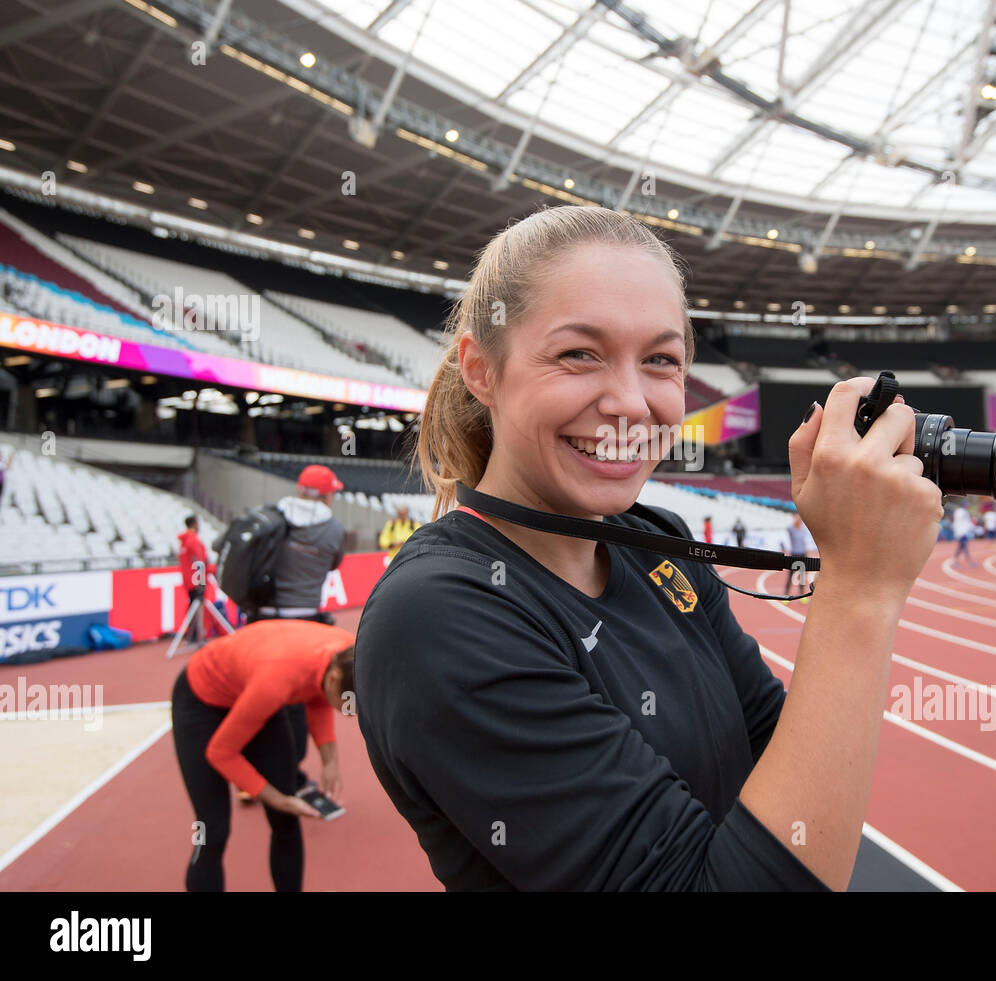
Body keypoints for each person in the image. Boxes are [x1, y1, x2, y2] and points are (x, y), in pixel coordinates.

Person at [353, 205, 941, 891]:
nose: (632, 402)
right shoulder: (437, 616)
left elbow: (782, 755)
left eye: (661, 360)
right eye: (579, 353)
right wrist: (860, 588)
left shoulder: (655, 542)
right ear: (481, 371)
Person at [170, 619, 355, 891]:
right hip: (201, 701)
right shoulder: (277, 681)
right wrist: (275, 798)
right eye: (349, 706)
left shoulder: (348, 653)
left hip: (255, 687)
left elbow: (319, 692)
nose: (352, 713)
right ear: (335, 679)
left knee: (286, 822)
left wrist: (330, 761)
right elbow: (221, 753)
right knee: (212, 831)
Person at [254, 464, 346, 794]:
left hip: (260, 620)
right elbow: (333, 562)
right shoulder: (333, 529)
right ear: (324, 495)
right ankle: (287, 772)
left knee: (258, 690)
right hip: (303, 621)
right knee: (296, 696)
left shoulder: (270, 515)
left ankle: (253, 770)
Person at [177, 515, 209, 646]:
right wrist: (201, 580)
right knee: (197, 606)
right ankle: (198, 635)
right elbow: (198, 560)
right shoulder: (193, 540)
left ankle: (192, 635)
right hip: (195, 579)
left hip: (188, 579)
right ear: (194, 524)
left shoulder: (184, 542)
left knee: (193, 605)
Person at [784, 512, 815, 594]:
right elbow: (787, 529)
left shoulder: (803, 529)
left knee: (802, 577)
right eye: (797, 517)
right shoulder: (791, 528)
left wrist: (807, 556)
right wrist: (795, 521)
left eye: (800, 517)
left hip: (802, 555)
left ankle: (801, 594)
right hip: (794, 555)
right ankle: (786, 595)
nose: (799, 519)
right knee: (790, 576)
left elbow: (805, 544)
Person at [951, 503, 976, 568]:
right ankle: (969, 562)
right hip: (961, 533)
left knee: (961, 548)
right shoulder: (960, 512)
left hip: (963, 533)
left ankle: (955, 561)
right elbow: (960, 522)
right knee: (964, 548)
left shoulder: (964, 512)